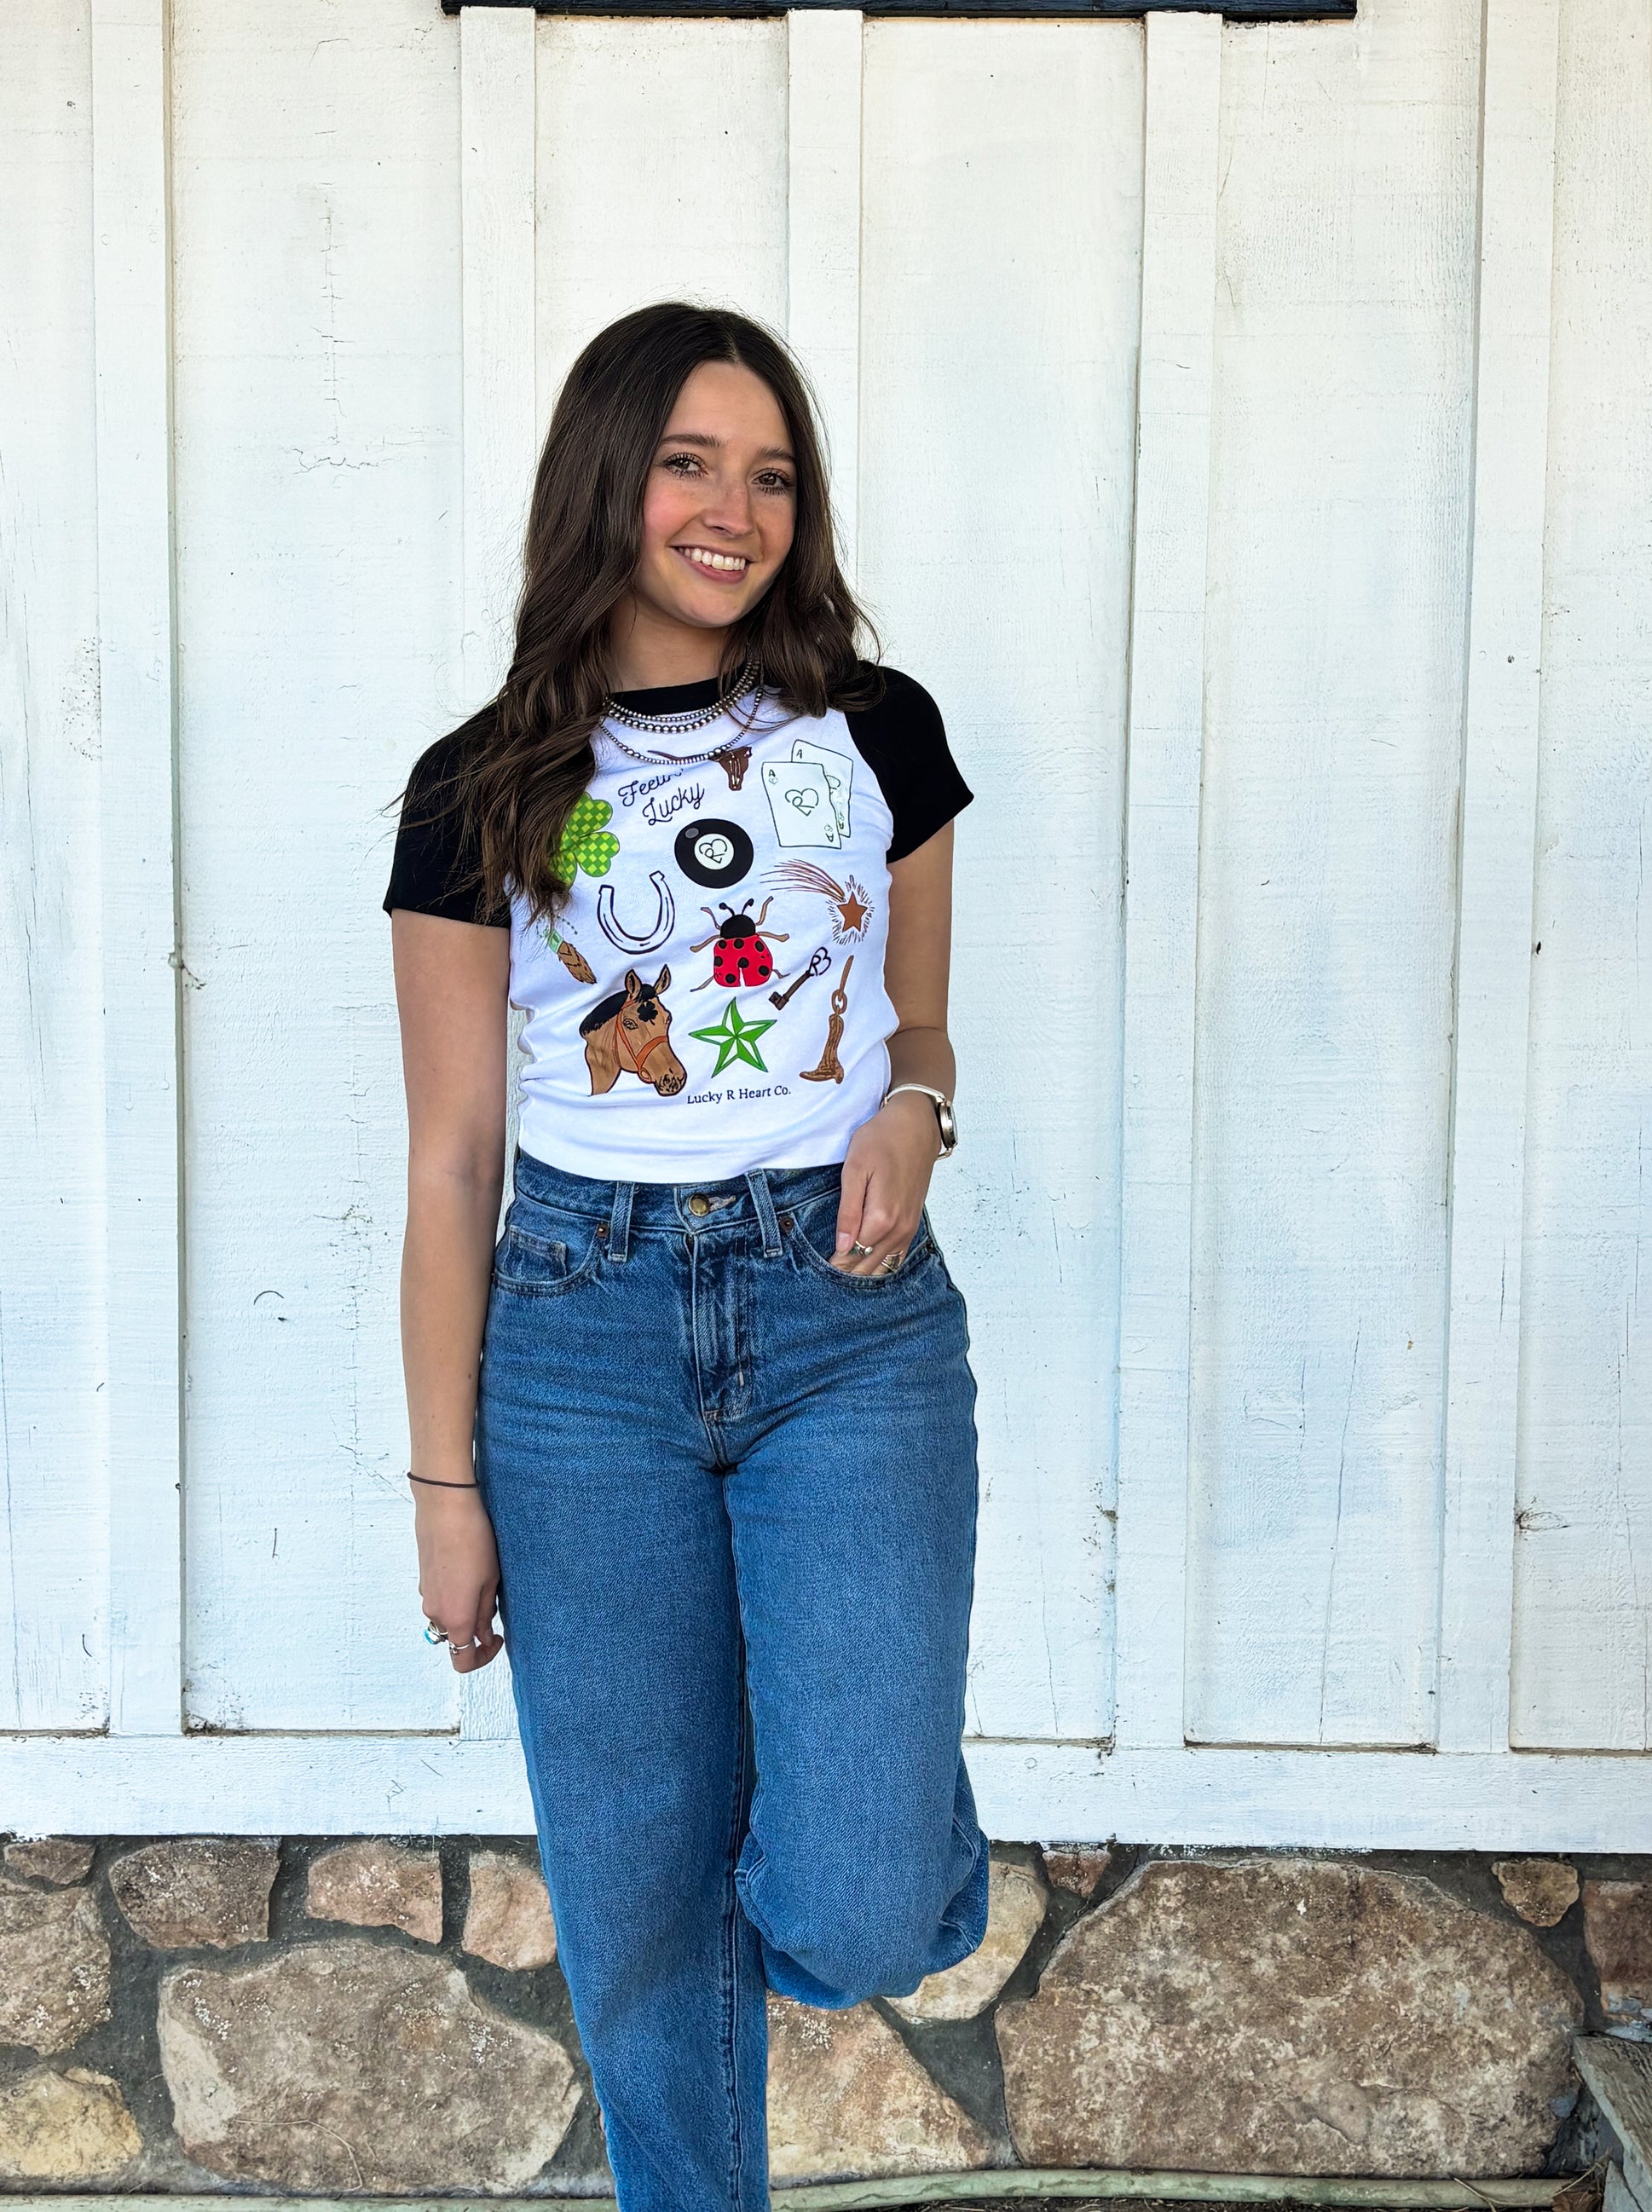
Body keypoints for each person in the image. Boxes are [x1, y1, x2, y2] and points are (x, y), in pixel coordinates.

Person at [382, 300, 988, 2212]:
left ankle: (841, 1792)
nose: (736, 510)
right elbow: (452, 1160)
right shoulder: (481, 784)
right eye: (689, 464)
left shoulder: (874, 731)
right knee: (638, 1900)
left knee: (862, 1903)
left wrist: (916, 1107)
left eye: (772, 474)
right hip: (580, 1342)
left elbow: (917, 1029)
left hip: (846, 1318)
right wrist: (445, 1487)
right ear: (607, 482)